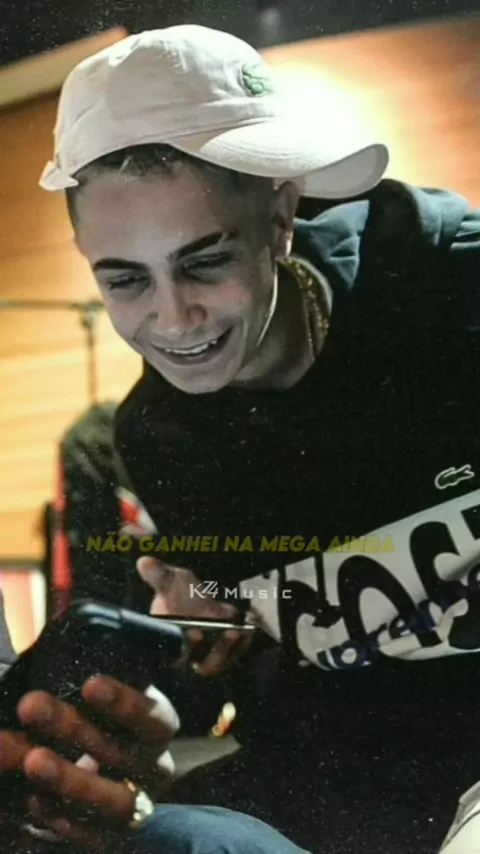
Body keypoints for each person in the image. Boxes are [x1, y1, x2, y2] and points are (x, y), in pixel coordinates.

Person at [1, 20, 480, 854]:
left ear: (281, 213)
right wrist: (201, 654)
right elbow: (273, 665)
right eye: (125, 279)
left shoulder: (452, 288)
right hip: (356, 777)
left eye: (204, 261)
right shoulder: (159, 436)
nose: (173, 319)